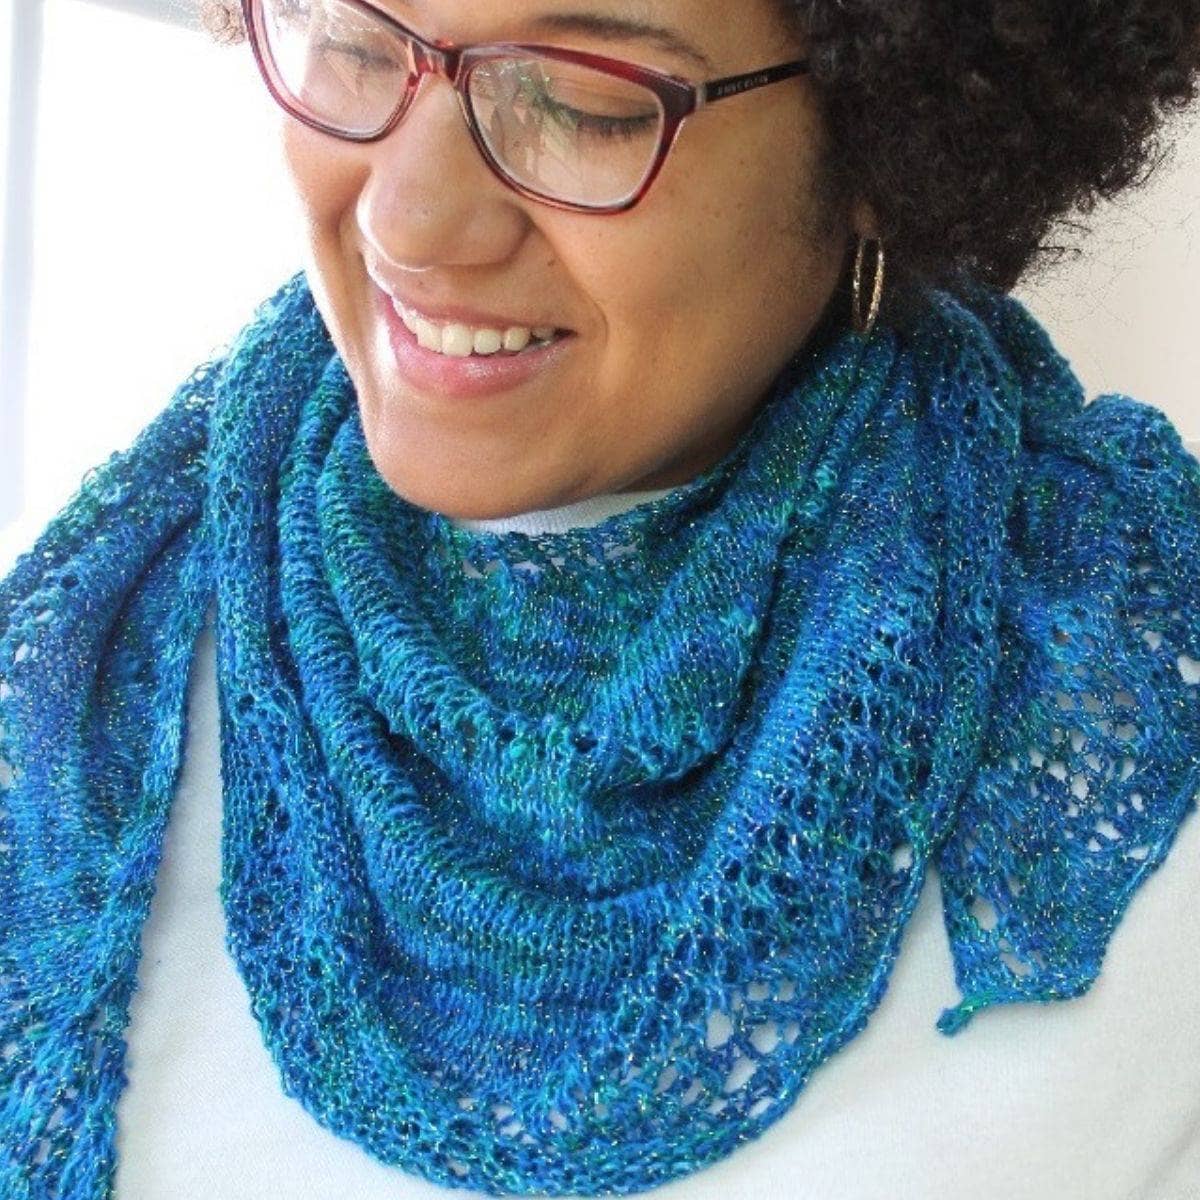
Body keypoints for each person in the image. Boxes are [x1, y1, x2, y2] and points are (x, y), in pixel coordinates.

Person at [1, 0, 1198, 1197]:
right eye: (356, 39)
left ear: (888, 141)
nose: (406, 219)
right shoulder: (75, 689)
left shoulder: (1148, 787)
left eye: (582, 105)